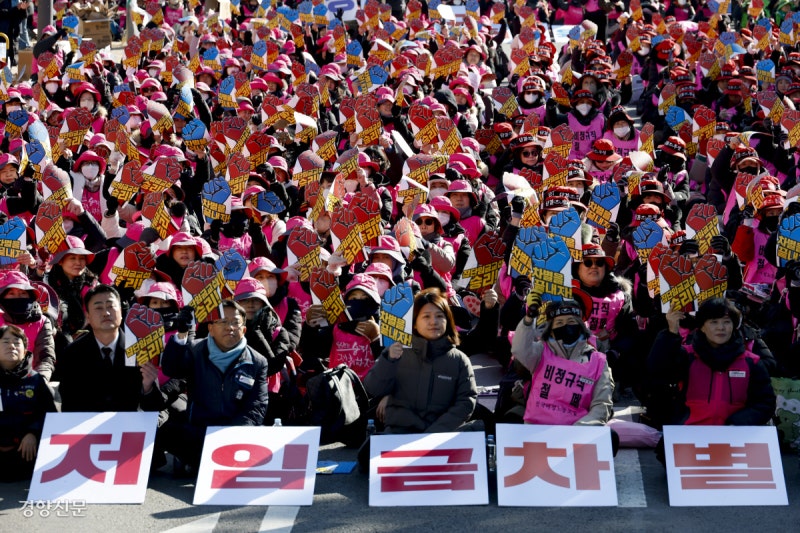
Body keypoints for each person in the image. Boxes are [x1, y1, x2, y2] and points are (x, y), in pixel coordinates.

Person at [159, 300, 269, 470]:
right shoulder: (195, 350)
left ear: (244, 329)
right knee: (164, 432)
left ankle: (205, 462)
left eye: (235, 323)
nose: (230, 327)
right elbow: (171, 368)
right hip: (200, 431)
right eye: (223, 321)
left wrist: (228, 438)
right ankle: (199, 461)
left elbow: (256, 407)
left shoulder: (258, 362)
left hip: (235, 434)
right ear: (210, 328)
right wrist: (182, 334)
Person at [363, 289, 479, 434]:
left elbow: (466, 402)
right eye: (426, 316)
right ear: (415, 323)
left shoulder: (459, 360)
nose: (433, 322)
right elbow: (373, 389)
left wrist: (435, 432)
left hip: (440, 438)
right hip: (399, 434)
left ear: (448, 321)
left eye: (439, 316)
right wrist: (388, 361)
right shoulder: (396, 352)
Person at [648, 298, 776, 428]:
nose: (721, 328)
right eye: (714, 322)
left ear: (734, 326)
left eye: (727, 322)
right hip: (688, 435)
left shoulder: (752, 362)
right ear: (702, 327)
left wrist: (738, 422)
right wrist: (671, 333)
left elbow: (765, 403)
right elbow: (657, 371)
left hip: (735, 438)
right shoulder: (687, 356)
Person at [511, 296, 615, 428]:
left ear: (580, 325)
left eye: (571, 321)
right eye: (559, 323)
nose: (566, 326)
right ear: (551, 329)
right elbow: (520, 349)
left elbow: (602, 404)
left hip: (577, 433)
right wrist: (529, 317)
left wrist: (578, 430)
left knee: (611, 437)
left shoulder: (598, 361)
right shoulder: (541, 351)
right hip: (536, 429)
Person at [56, 285, 162, 412]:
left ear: (121, 313)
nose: (106, 313)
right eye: (98, 308)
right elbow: (69, 405)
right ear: (88, 317)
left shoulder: (140, 349)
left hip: (129, 427)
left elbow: (155, 407)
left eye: (111, 306)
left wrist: (148, 387)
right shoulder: (72, 354)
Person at [0, 325, 56, 482]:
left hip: (25, 453)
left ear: (25, 349)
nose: (11, 346)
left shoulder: (36, 380)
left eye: (17, 342)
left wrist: (33, 433)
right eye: (5, 341)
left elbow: (49, 414)